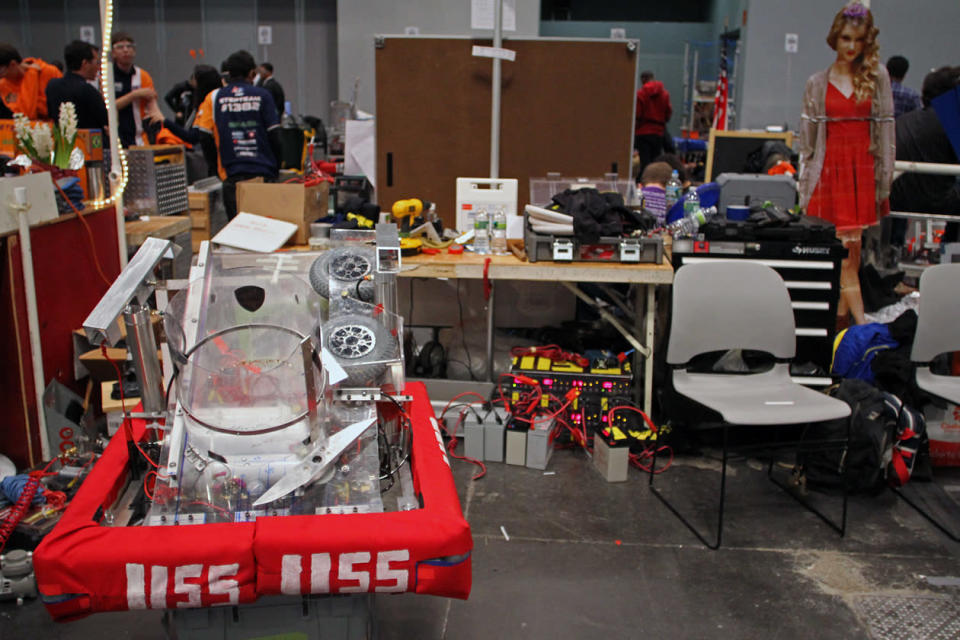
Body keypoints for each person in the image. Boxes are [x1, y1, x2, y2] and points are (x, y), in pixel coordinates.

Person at [799, 1, 894, 328]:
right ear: (835, 39)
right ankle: (860, 326)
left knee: (848, 259)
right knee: (842, 260)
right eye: (846, 39)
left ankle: (843, 331)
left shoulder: (877, 77)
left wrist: (884, 179)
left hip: (860, 174)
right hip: (828, 176)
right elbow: (807, 144)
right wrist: (803, 186)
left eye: (858, 40)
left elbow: (886, 131)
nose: (852, 47)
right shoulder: (816, 82)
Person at [195, 50, 281, 221]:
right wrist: (276, 167)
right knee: (265, 230)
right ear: (251, 73)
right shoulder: (263, 95)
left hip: (232, 173)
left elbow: (204, 136)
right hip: (263, 173)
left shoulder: (214, 97)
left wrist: (217, 168)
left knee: (236, 231)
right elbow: (275, 134)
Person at [889, 66, 960, 245]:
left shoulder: (907, 119)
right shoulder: (950, 121)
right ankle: (951, 254)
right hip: (927, 198)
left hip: (893, 196)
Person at [45, 40, 108, 130]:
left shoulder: (52, 85)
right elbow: (105, 119)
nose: (98, 67)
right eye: (97, 62)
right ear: (85, 63)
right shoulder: (87, 90)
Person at [111, 32, 158, 147]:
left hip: (140, 137)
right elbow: (108, 106)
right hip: (115, 136)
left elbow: (152, 102)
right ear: (113, 53)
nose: (126, 50)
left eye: (129, 46)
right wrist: (134, 95)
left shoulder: (142, 75)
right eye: (120, 47)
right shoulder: (107, 76)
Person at [0, 43, 62, 119]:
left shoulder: (49, 72)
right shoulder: (3, 85)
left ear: (12, 64)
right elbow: (24, 115)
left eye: (0, 72)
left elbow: (65, 109)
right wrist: (32, 73)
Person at [634, 71, 672, 172]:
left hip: (642, 132)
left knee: (644, 162)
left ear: (643, 80)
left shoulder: (640, 94)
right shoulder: (665, 94)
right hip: (658, 132)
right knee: (656, 161)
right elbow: (668, 113)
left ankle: (645, 183)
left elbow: (638, 114)